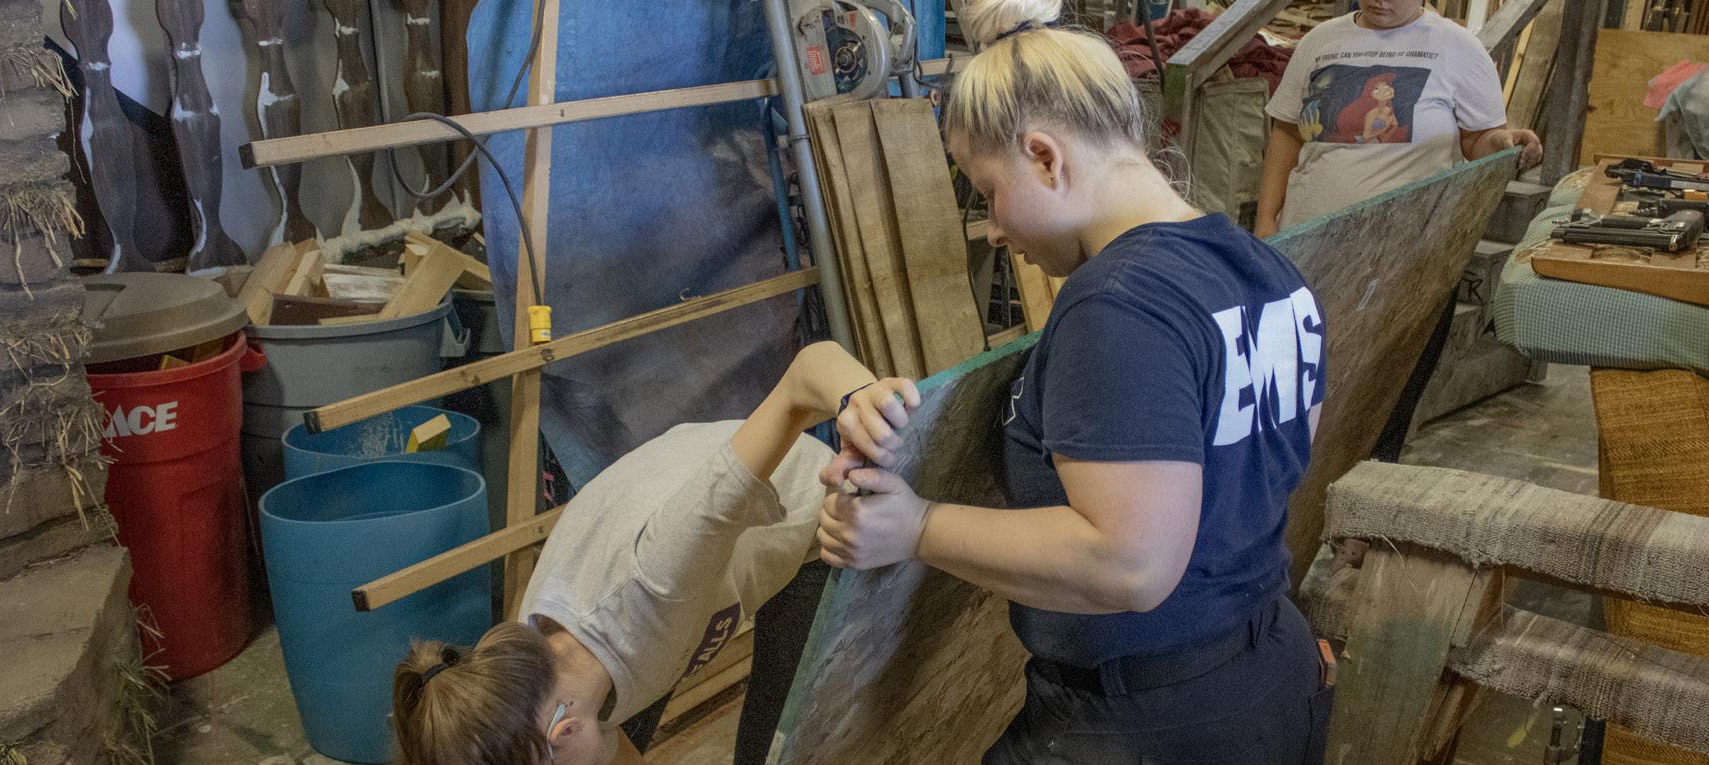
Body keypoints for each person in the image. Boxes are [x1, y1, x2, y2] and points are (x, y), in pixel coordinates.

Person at [814, 0, 1332, 762]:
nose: (995, 230)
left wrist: (914, 526)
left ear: (1046, 158)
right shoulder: (1270, 272)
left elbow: (1129, 561)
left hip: (1146, 723)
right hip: (1270, 673)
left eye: (989, 191)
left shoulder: (1115, 303)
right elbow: (1273, 465)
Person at [390, 341, 918, 765]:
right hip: (660, 585)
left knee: (780, 730)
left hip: (809, 521)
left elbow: (808, 370)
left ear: (564, 733)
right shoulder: (524, 677)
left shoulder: (660, 570)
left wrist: (863, 402)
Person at [1254, 0, 1543, 463]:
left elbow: (1478, 141)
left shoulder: (1458, 48)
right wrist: (1267, 222)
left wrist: (1506, 145)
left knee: (1381, 398)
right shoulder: (1320, 41)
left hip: (1407, 262)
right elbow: (1287, 133)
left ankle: (1358, 500)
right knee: (1290, 390)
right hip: (1310, 248)